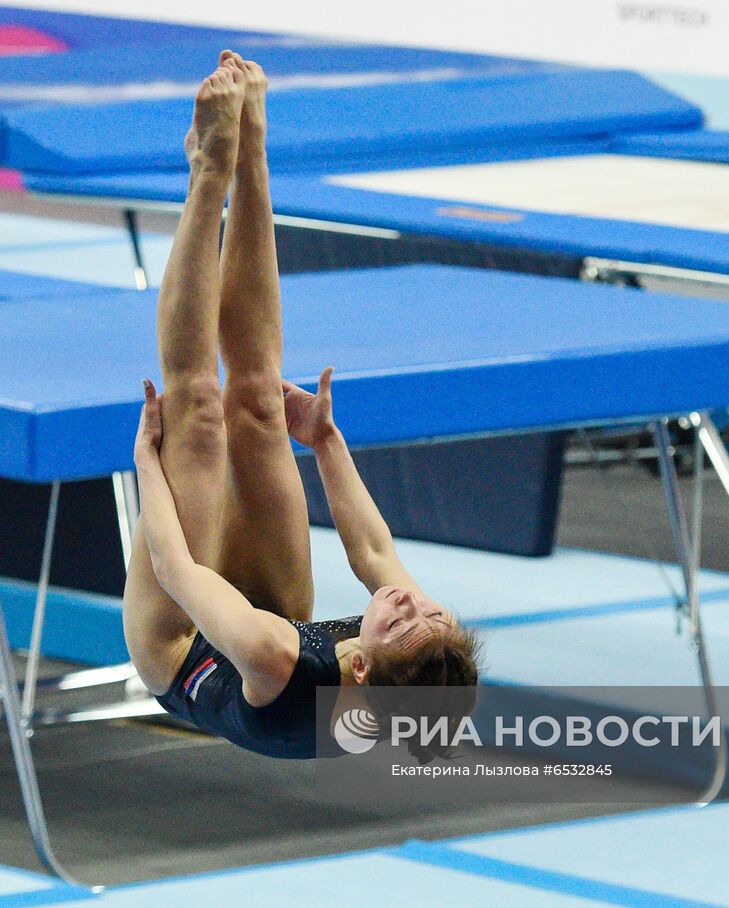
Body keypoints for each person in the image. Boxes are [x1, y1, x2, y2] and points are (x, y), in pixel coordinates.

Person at [125, 51, 480, 760]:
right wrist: (325, 443)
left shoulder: (276, 655)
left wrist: (146, 465)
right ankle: (250, 148)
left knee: (194, 406)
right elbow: (373, 551)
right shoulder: (420, 649)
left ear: (359, 664)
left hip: (179, 642)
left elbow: (177, 571)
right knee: (257, 398)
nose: (413, 601)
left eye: (403, 619)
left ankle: (206, 171)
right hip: (273, 614)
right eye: (431, 610)